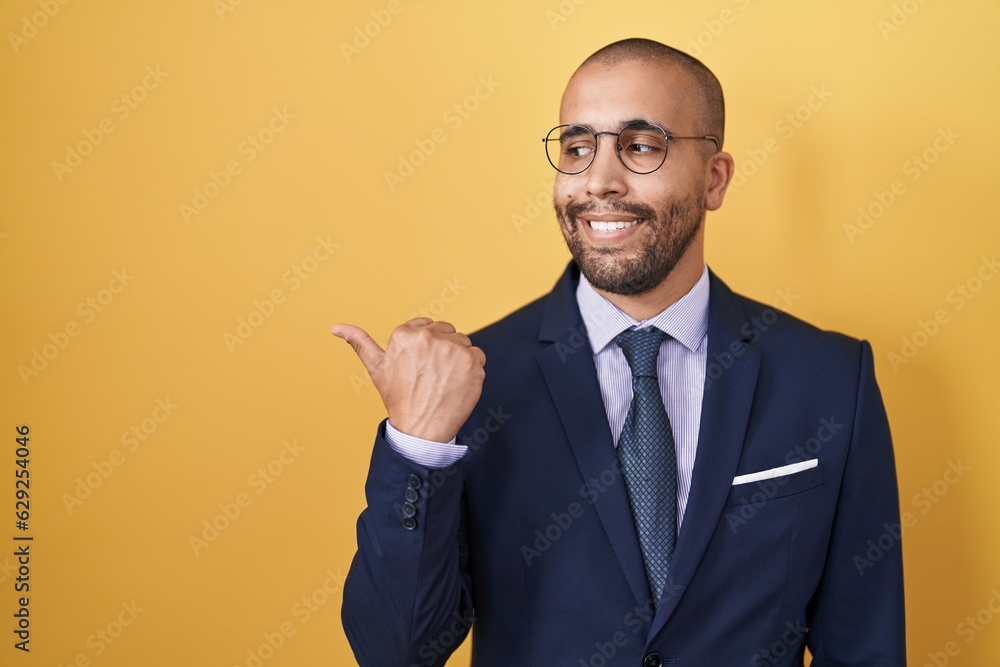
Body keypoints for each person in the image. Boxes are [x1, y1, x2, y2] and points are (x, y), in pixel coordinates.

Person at [333, 38, 905, 667]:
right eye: (578, 148)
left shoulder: (829, 380)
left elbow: (865, 645)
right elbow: (395, 652)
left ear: (714, 179)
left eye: (640, 146)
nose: (599, 182)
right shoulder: (476, 382)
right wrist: (417, 446)